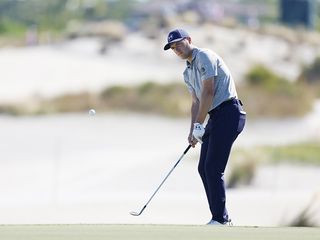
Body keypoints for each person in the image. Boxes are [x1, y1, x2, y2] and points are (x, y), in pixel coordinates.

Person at [164, 29, 246, 225]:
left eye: (179, 44)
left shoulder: (205, 56)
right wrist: (193, 130)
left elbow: (208, 92)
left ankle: (221, 219)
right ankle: (220, 217)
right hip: (215, 117)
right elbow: (195, 103)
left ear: (189, 40)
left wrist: (200, 125)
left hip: (230, 113)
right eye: (173, 48)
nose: (177, 49)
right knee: (203, 168)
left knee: (212, 167)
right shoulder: (187, 71)